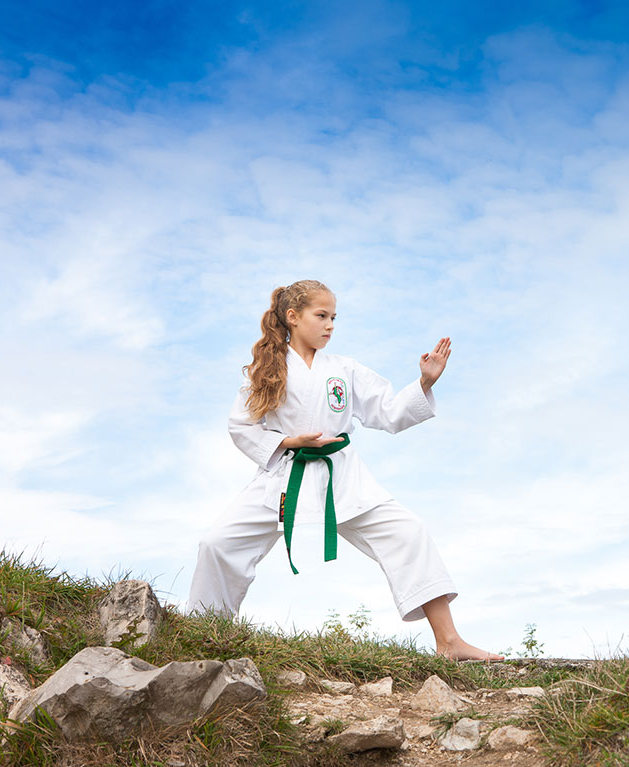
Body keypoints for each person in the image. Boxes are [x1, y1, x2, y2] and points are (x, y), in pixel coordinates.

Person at [188, 279, 502, 661]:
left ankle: (449, 641)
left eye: (334, 317)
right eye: (321, 316)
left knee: (408, 532)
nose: (330, 325)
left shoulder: (345, 369)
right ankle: (202, 636)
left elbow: (387, 411)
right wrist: (289, 442)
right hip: (285, 476)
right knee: (217, 544)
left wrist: (424, 382)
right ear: (293, 317)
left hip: (341, 477)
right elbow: (241, 426)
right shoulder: (266, 369)